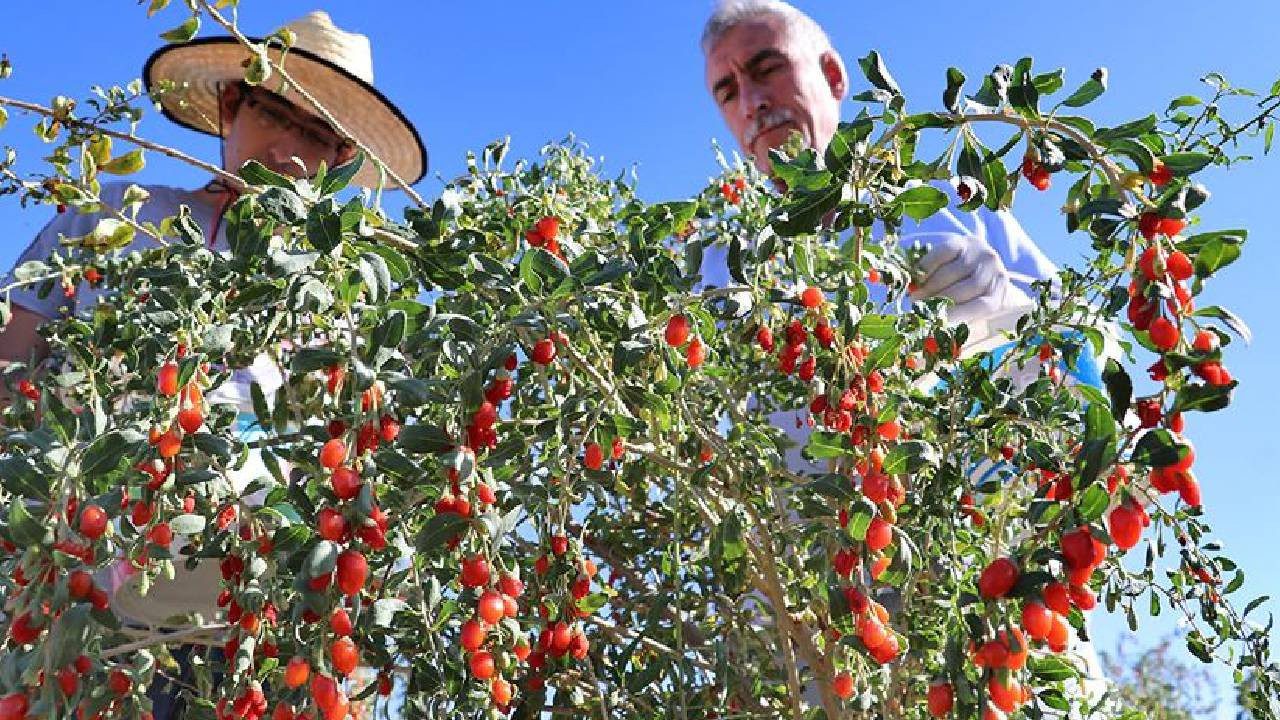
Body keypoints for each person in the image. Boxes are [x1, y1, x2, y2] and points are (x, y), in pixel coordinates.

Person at [0, 10, 427, 718]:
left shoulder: (343, 304)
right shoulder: (111, 220)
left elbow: (361, 480)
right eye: (273, 112)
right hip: (84, 621)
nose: (290, 145)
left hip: (254, 641)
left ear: (341, 158)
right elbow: (10, 370)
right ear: (233, 102)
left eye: (317, 133)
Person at [698, 0, 1110, 708]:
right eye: (729, 90)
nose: (753, 100)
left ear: (832, 76)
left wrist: (1010, 309)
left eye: (767, 69)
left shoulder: (952, 202)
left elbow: (1087, 370)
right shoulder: (720, 268)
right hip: (825, 625)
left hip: (1001, 588)